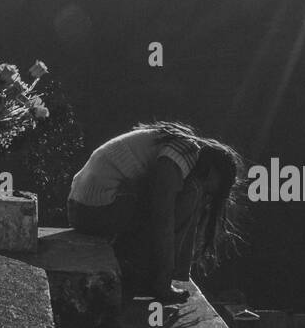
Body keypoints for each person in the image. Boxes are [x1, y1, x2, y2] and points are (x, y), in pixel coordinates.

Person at [67, 121, 243, 304]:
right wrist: (165, 275)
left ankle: (155, 275)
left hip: (81, 208)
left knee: (183, 197)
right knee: (190, 194)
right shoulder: (186, 152)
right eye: (214, 187)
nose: (210, 193)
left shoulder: (180, 145)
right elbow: (163, 219)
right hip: (96, 209)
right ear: (215, 169)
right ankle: (158, 281)